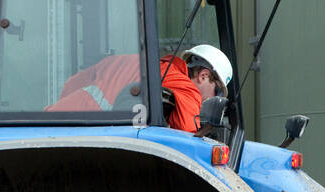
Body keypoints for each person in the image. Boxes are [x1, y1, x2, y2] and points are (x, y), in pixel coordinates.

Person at [45, 44, 233, 134]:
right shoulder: (185, 89)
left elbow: (72, 83)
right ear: (204, 76)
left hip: (52, 126)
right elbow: (187, 137)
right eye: (216, 92)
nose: (211, 99)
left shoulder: (132, 62)